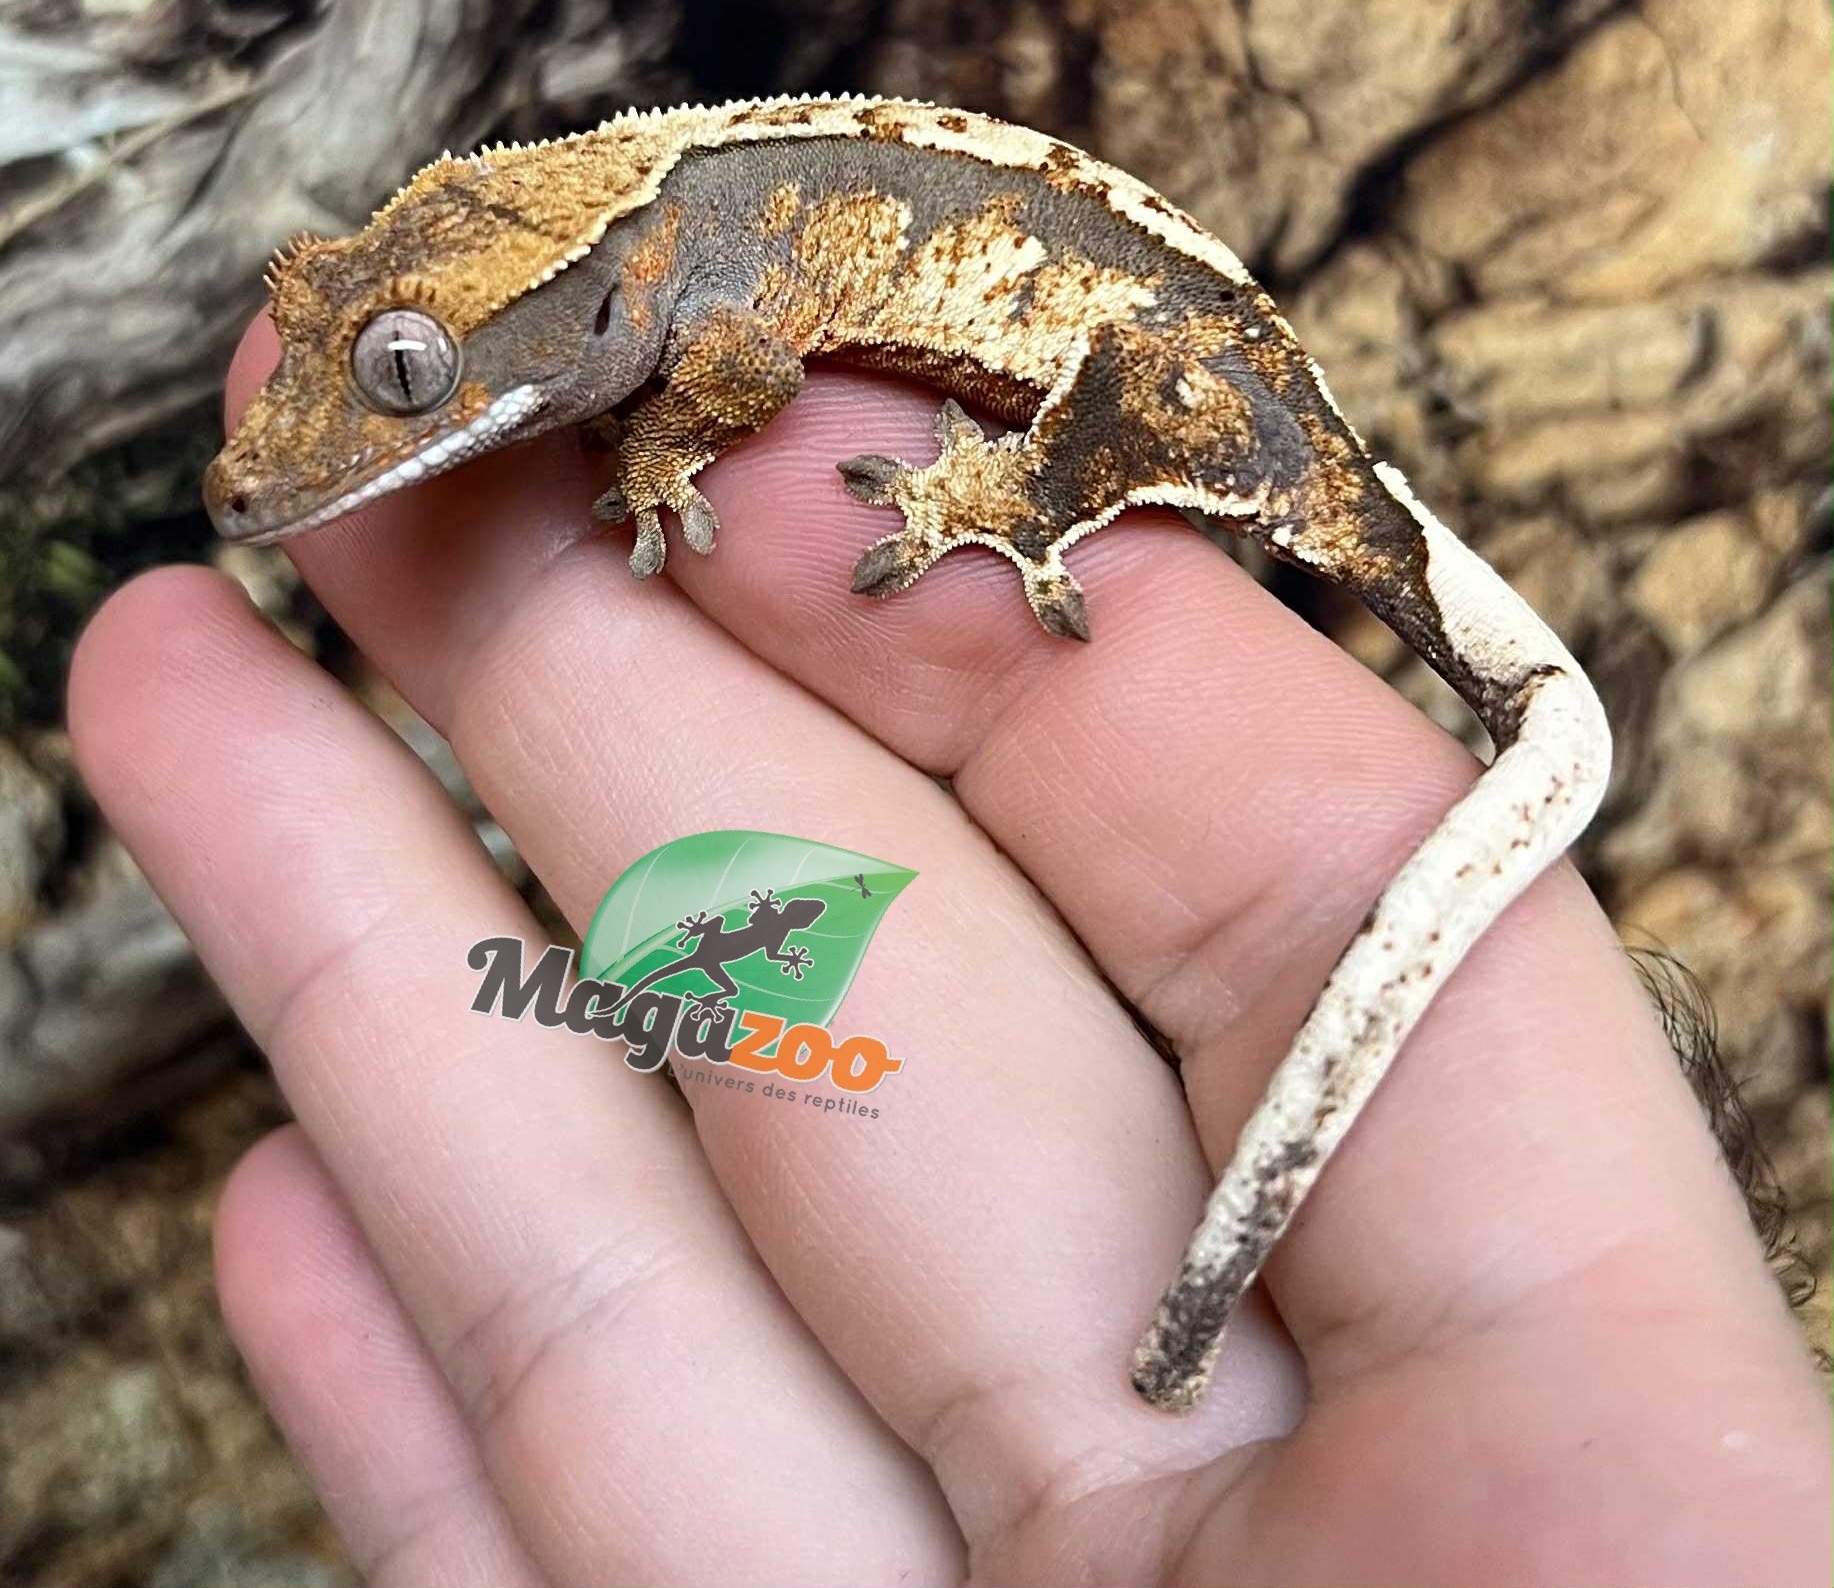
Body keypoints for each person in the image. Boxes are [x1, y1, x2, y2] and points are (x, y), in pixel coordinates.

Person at [69, 315, 1831, 1586]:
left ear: (589, 302)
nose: (329, 447)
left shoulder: (707, 286)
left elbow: (746, 366)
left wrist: (709, 451)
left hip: (1163, 367)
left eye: (400, 382)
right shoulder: (657, 276)